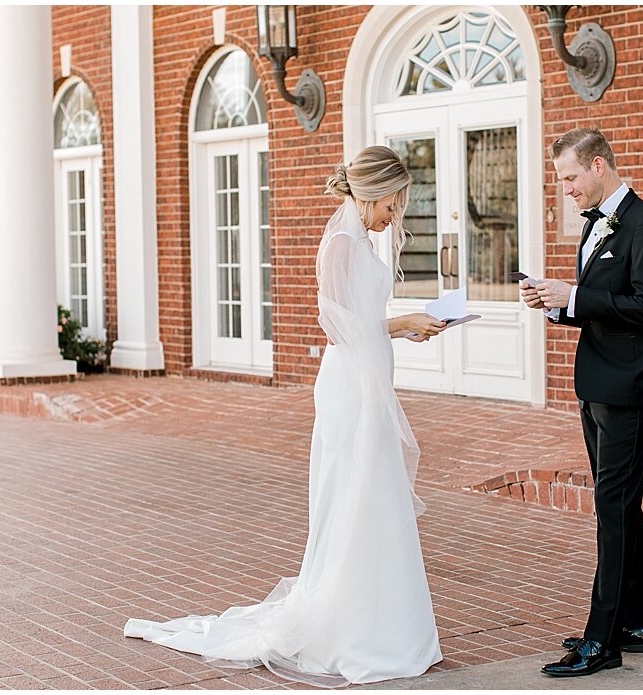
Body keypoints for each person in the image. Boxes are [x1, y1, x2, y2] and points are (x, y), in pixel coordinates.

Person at [124, 146, 447, 687]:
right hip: (351, 389)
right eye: (391, 204)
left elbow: (364, 318)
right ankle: (357, 632)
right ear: (370, 194)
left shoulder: (363, 242)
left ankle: (389, 626)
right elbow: (339, 328)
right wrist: (402, 320)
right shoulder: (341, 243)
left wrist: (407, 326)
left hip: (367, 380)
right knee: (356, 496)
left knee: (375, 498)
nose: (394, 216)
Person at [521, 127, 643, 677]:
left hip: (631, 389)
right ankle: (632, 623)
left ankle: (601, 639)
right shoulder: (596, 225)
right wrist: (558, 304)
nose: (565, 189)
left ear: (600, 167)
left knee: (611, 509)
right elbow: (607, 307)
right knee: (621, 506)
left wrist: (578, 295)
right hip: (598, 386)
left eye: (570, 177)